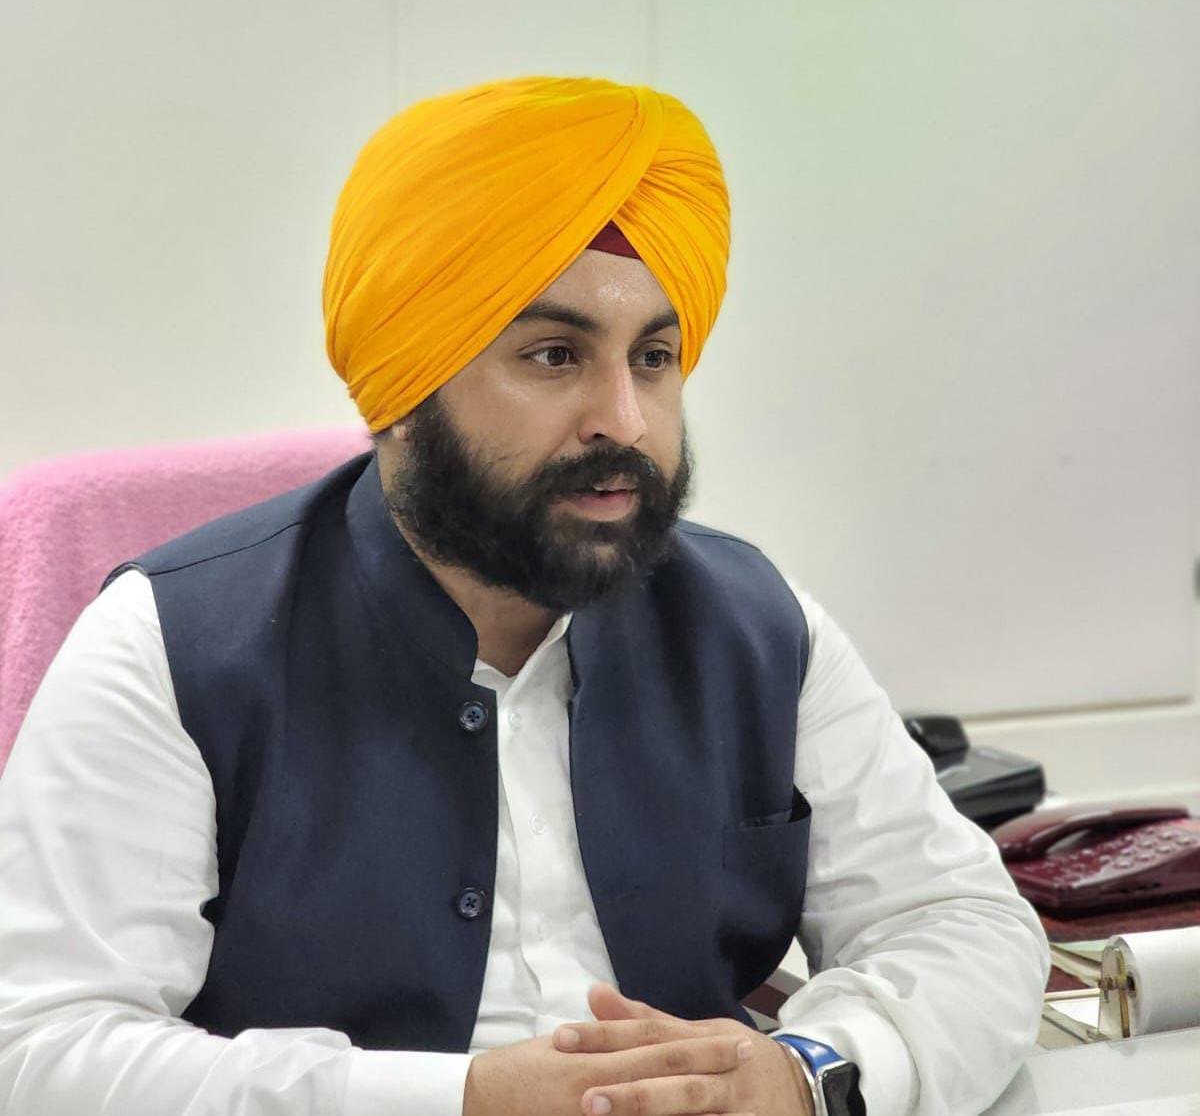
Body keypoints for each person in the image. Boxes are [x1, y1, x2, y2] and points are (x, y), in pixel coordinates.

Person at [0, 75, 1048, 1116]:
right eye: (555, 356)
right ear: (404, 390)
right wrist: (456, 1101)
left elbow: (964, 922)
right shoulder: (167, 646)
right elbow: (40, 1048)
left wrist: (809, 1073)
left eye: (653, 357)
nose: (624, 419)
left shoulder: (758, 627)